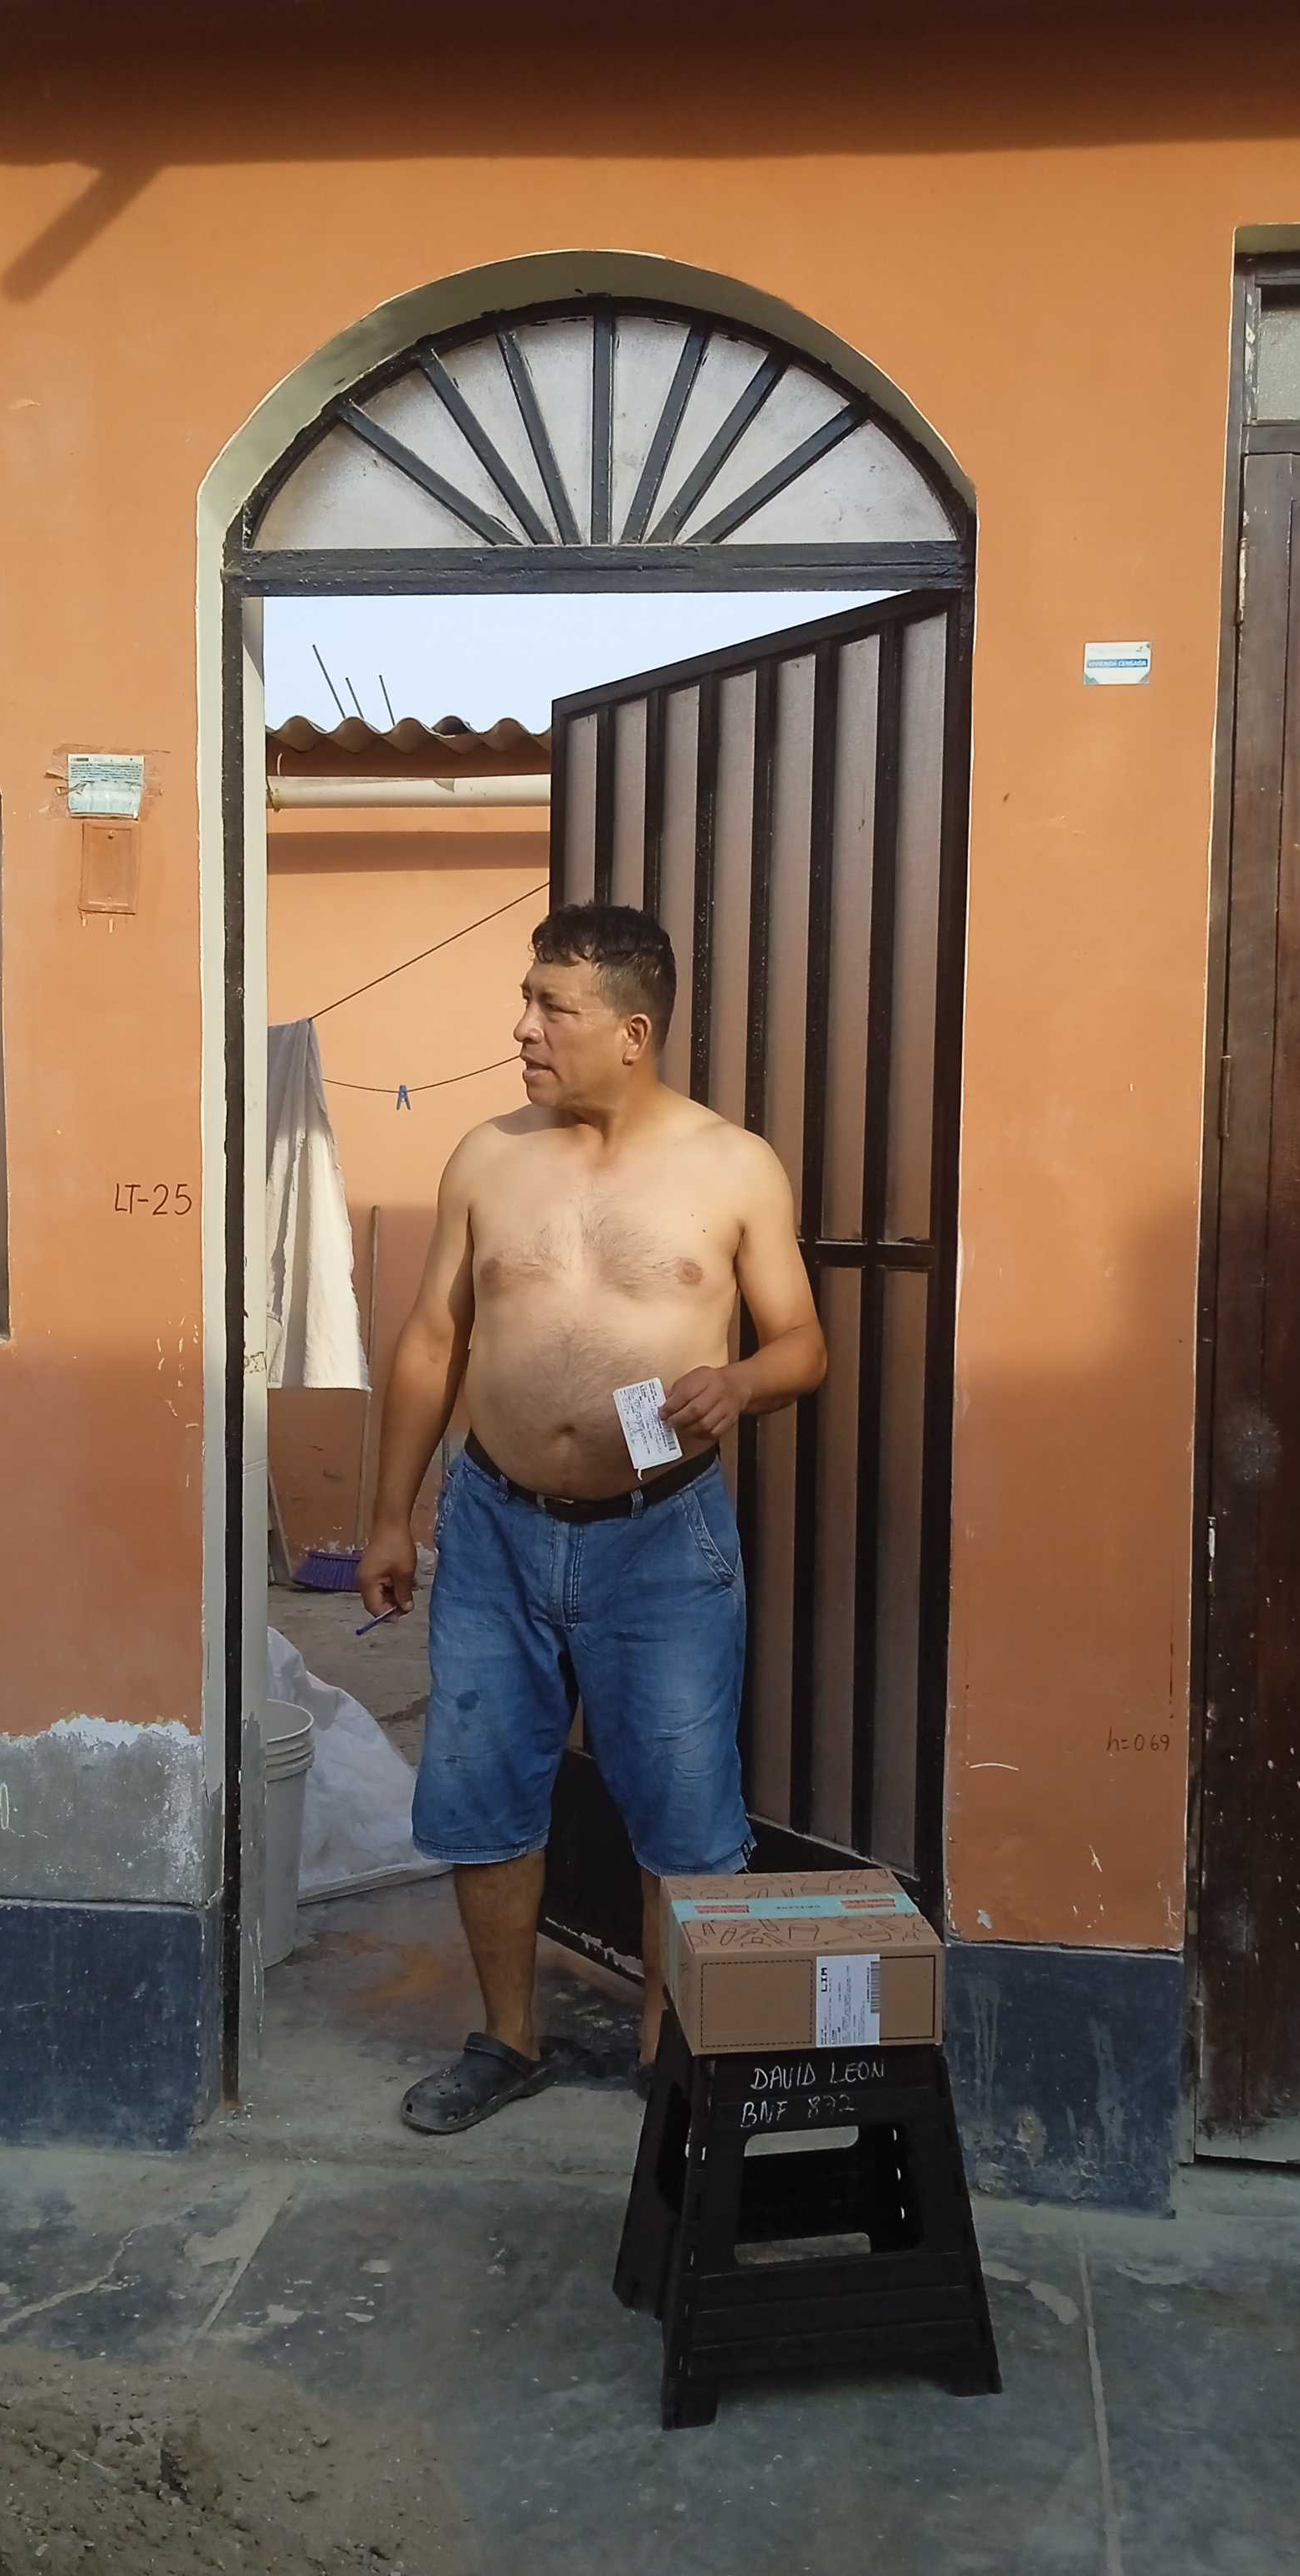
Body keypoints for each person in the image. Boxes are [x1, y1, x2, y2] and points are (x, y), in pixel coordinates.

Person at [357, 901, 828, 2133]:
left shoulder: (733, 1165)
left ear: (631, 1030)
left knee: (683, 1809)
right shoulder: (487, 1157)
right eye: (527, 1000)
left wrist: (741, 1382)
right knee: (479, 1792)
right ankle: (508, 2040)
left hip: (662, 1537)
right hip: (494, 1529)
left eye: (550, 1007)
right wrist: (390, 1516)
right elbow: (431, 1342)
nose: (522, 1028)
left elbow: (804, 1344)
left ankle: (672, 2061)